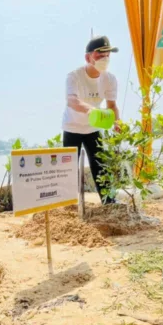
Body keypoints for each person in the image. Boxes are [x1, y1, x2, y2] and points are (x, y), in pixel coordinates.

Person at [63, 36, 120, 203]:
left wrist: (117, 123)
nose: (104, 59)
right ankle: (69, 203)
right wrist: (91, 110)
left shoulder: (110, 79)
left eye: (107, 55)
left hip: (93, 128)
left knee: (100, 165)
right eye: (99, 55)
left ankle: (108, 200)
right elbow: (72, 101)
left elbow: (112, 105)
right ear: (88, 57)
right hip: (72, 127)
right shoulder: (74, 76)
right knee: (69, 168)